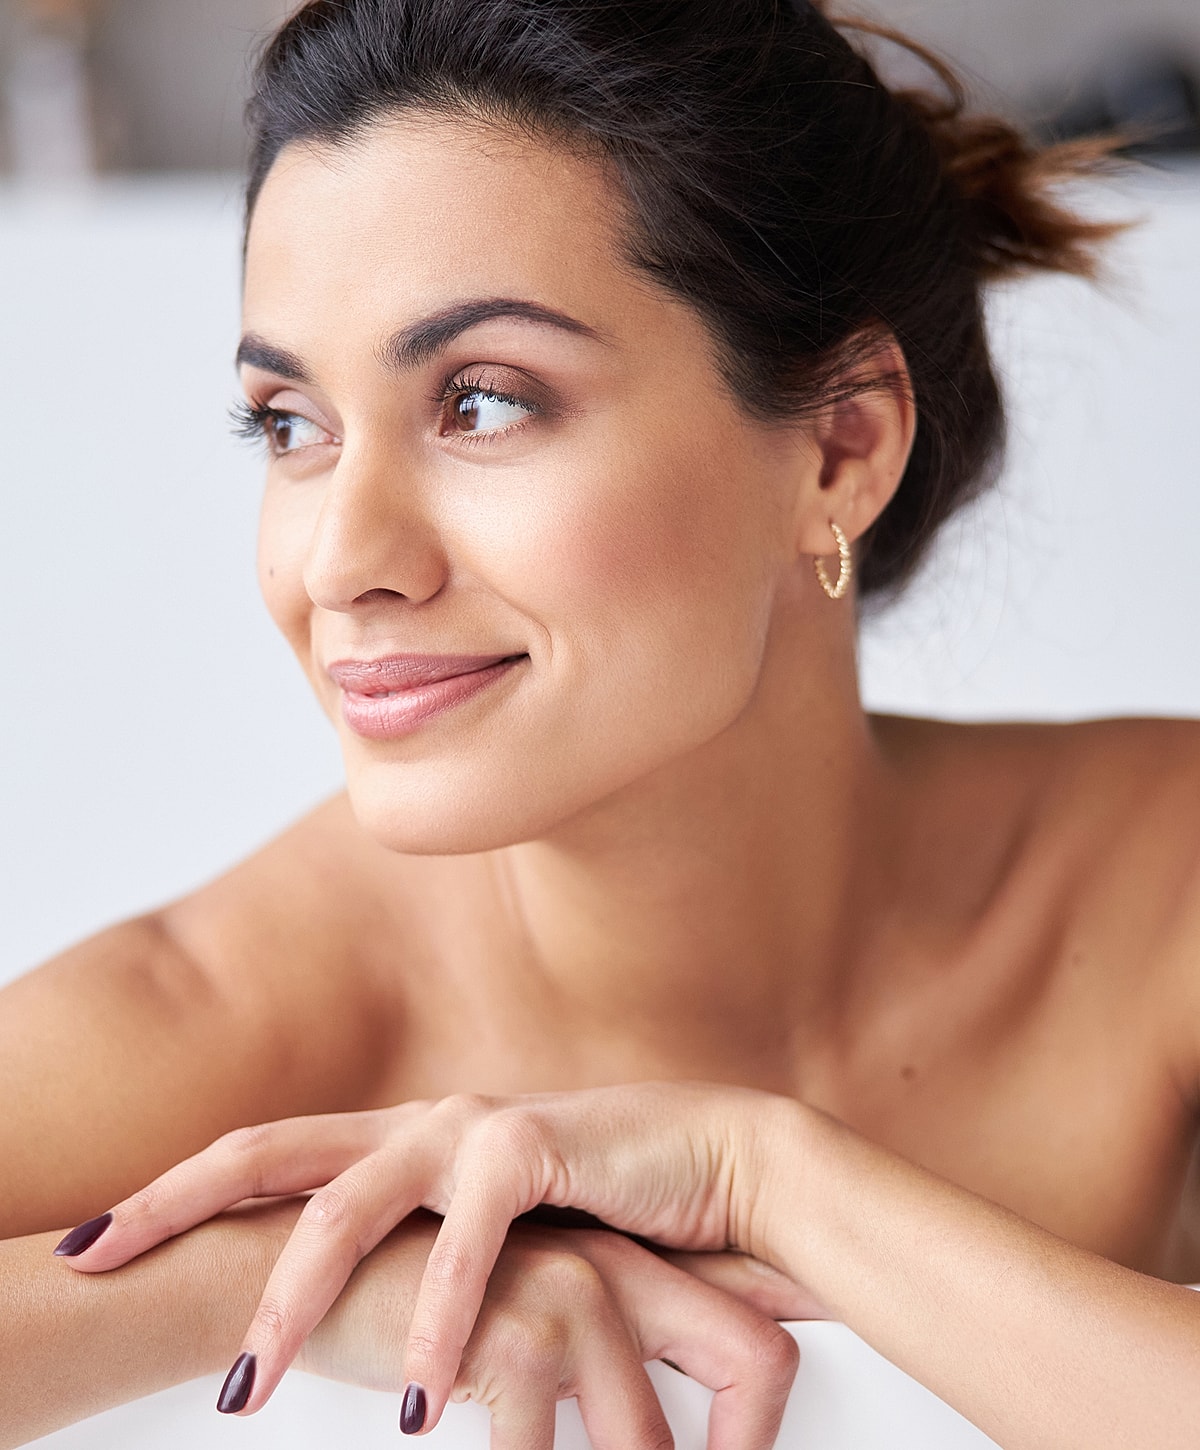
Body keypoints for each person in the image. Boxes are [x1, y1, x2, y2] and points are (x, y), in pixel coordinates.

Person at [3, 0, 1199, 1445]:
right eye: (291, 423)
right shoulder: (231, 1015)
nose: (340, 559)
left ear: (841, 446)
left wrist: (757, 1169)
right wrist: (240, 1279)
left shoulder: (1162, 880)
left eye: (485, 401)